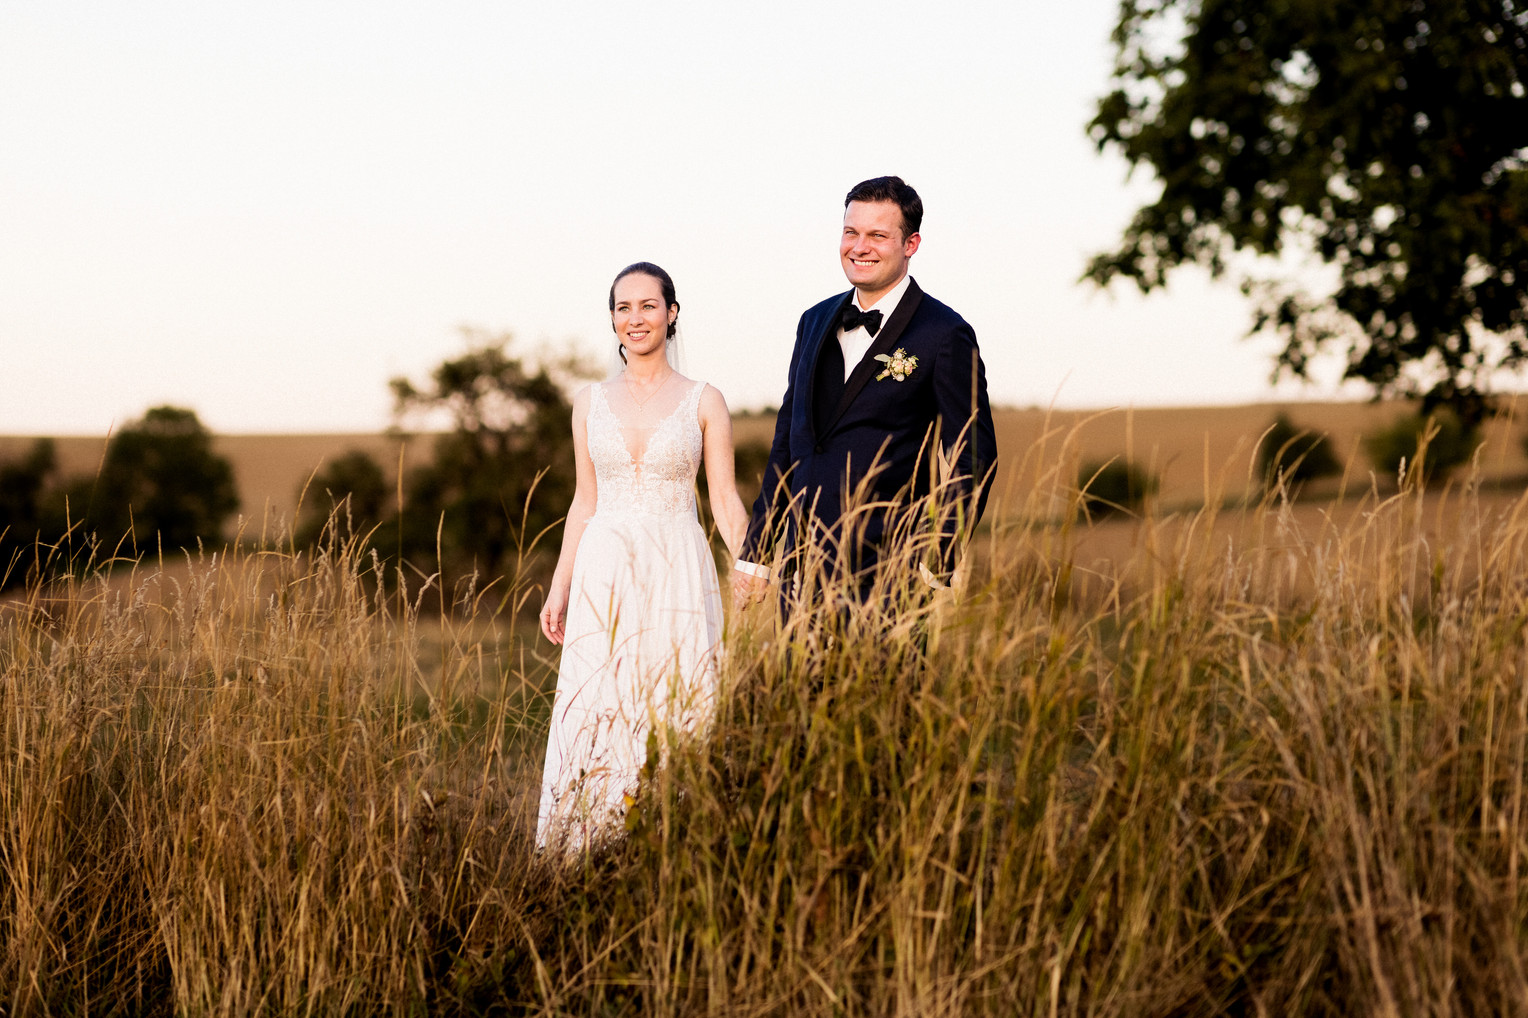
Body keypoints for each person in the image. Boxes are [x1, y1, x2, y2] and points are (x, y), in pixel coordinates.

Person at [536, 262, 750, 854]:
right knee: (599, 704)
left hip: (677, 568)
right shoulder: (588, 403)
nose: (636, 318)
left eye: (648, 306)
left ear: (672, 313)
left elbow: (725, 501)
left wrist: (758, 566)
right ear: (612, 319)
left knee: (677, 701)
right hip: (602, 572)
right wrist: (560, 587)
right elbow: (584, 500)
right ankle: (587, 847)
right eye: (624, 308)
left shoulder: (705, 401)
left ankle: (674, 843)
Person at [733, 176, 997, 614]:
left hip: (889, 578)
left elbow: (974, 456)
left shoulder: (944, 334)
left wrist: (936, 560)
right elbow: (788, 441)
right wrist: (758, 552)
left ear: (910, 244)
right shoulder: (813, 321)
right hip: (799, 577)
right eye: (850, 232)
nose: (860, 246)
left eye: (877, 235)